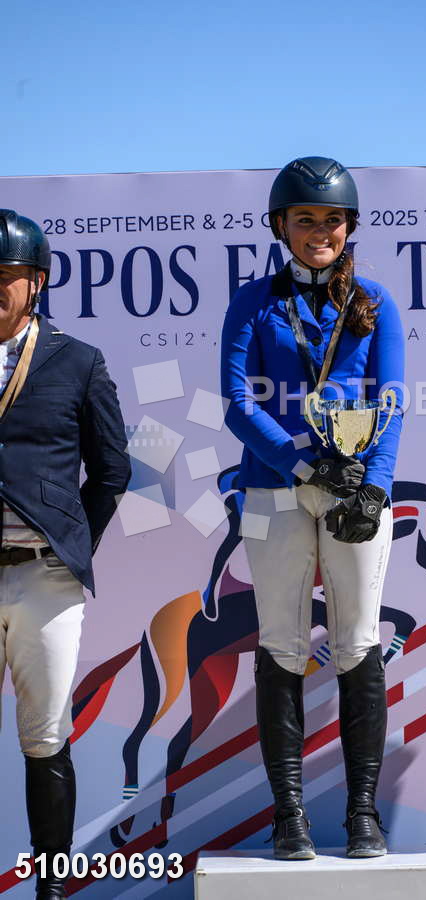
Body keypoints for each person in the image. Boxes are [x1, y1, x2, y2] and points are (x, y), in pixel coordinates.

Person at [221, 157, 404, 859]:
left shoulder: (376, 302)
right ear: (281, 226)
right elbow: (237, 404)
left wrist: (374, 486)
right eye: (305, 220)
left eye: (332, 220)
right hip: (271, 489)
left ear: (349, 226)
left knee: (357, 641)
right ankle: (288, 816)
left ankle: (362, 814)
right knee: (281, 643)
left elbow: (390, 402)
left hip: (354, 487)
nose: (320, 231)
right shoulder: (251, 302)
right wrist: (300, 465)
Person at [0, 209, 130, 899]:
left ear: (38, 282)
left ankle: (52, 890)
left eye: (6, 275)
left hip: (44, 581)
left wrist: (72, 542)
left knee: (46, 735)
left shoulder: (77, 360)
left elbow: (112, 470)